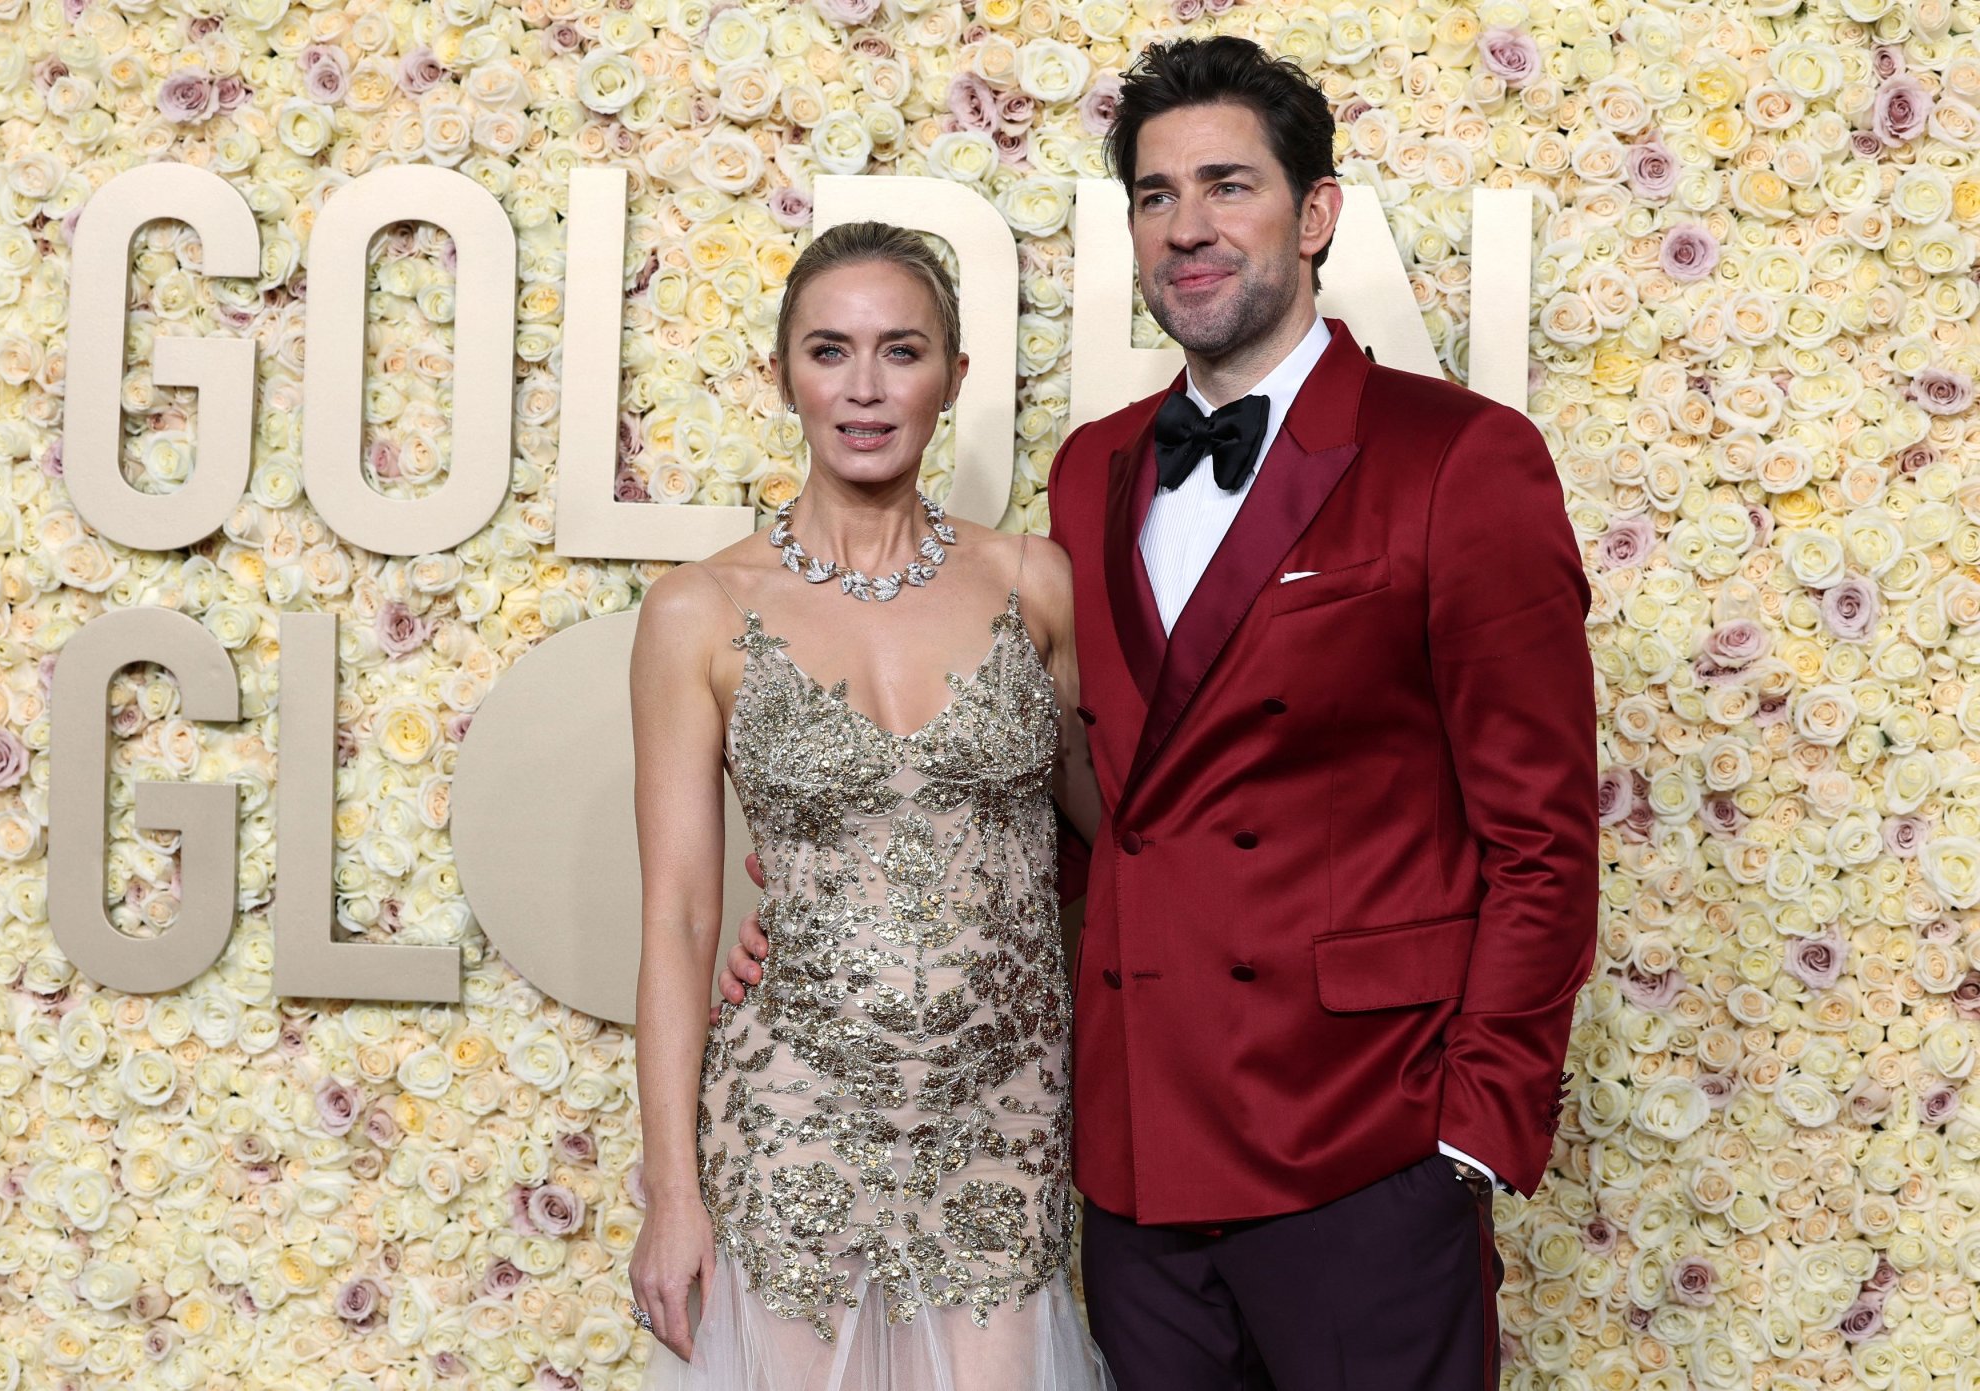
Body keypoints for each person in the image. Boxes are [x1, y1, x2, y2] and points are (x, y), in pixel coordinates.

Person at [718, 36, 1598, 1390]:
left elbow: (1542, 839)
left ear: (1315, 214)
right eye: (1153, 194)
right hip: (1135, 1158)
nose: (1187, 226)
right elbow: (1094, 794)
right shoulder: (1094, 470)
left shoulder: (1459, 458)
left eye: (1227, 185)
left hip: (1365, 1141)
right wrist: (865, 907)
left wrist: (1472, 1130)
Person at [625, 219, 1113, 1390]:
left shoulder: (1033, 580)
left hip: (1004, 1108)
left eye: (900, 350)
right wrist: (672, 1193)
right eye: (828, 350)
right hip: (790, 1104)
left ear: (953, 376)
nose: (863, 387)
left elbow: (1124, 835)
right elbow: (680, 918)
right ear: (780, 374)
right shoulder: (698, 609)